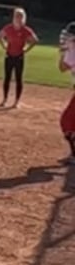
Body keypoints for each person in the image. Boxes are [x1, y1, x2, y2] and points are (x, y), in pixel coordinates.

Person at [0, 8, 37, 108]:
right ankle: (4, 99)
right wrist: (4, 46)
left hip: (19, 56)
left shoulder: (25, 30)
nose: (18, 18)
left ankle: (16, 101)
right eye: (16, 16)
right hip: (9, 56)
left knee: (18, 78)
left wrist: (26, 49)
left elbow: (34, 40)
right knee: (7, 77)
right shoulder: (9, 28)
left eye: (20, 16)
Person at [59, 24, 75, 162]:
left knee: (67, 121)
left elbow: (62, 68)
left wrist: (63, 52)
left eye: (69, 36)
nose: (66, 38)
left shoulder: (73, 52)